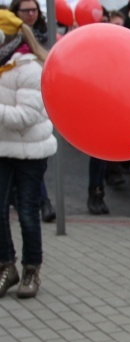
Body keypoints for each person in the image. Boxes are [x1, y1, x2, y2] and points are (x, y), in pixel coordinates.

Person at [0, 11, 56, 299]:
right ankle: (6, 266)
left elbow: (25, 116)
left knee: (27, 214)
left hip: (31, 153)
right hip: (2, 150)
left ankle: (31, 268)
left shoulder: (29, 67)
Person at [9, 0, 55, 223]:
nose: (31, 14)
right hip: (11, 140)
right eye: (25, 10)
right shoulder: (9, 60)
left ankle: (44, 202)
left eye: (34, 9)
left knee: (28, 205)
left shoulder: (29, 61)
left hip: (34, 131)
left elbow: (26, 115)